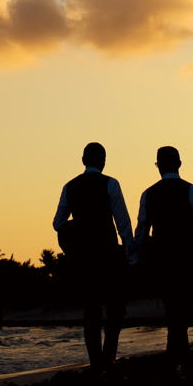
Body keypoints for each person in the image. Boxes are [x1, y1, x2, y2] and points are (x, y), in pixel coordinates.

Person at [53, 142, 133, 373]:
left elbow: (58, 223)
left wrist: (74, 227)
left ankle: (96, 361)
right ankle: (109, 356)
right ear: (103, 161)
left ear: (83, 160)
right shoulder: (110, 183)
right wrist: (129, 251)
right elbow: (123, 223)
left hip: (84, 258)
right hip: (108, 254)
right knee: (116, 308)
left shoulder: (70, 186)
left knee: (92, 310)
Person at [134, 146, 193, 376]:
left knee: (172, 308)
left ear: (158, 166)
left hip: (162, 259)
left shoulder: (148, 194)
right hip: (187, 257)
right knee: (183, 308)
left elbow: (141, 230)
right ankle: (180, 360)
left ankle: (173, 359)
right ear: (179, 163)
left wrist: (139, 256)